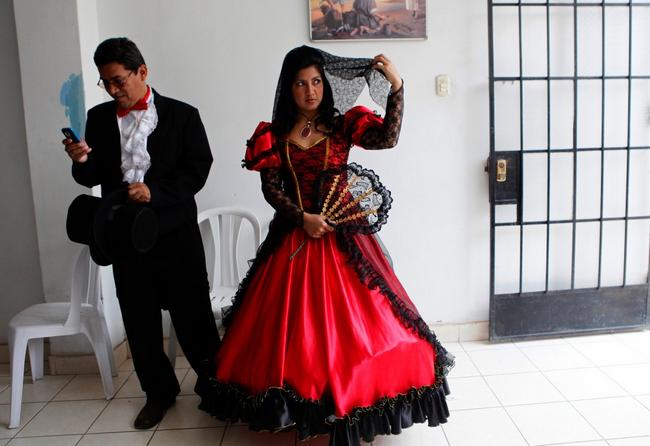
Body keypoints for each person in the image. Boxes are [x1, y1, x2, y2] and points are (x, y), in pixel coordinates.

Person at [199, 46, 453, 446]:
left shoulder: (342, 125)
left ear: (327, 84)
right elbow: (271, 190)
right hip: (294, 236)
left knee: (362, 322)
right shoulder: (273, 135)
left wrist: (397, 86)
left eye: (316, 81)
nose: (310, 90)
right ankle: (304, 405)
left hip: (345, 238)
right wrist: (303, 219)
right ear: (289, 88)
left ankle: (353, 396)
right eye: (301, 83)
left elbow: (387, 138)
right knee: (291, 330)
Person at [62, 37, 220, 429]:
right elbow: (92, 175)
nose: (113, 90)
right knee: (139, 319)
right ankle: (158, 393)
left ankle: (217, 387)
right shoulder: (100, 118)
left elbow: (197, 169)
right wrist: (82, 160)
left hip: (175, 233)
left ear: (142, 72)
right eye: (106, 83)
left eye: (118, 80)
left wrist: (156, 192)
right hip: (126, 236)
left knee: (194, 316)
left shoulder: (183, 115)